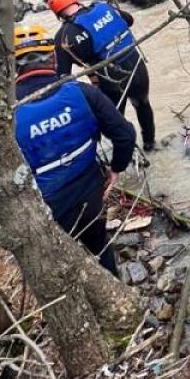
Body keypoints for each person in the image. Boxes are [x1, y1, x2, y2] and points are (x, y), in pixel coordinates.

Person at [12, 24, 136, 276]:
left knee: (60, 265)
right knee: (100, 248)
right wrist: (116, 169)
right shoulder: (82, 92)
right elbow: (125, 134)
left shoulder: (7, 112)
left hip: (43, 208)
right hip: (90, 193)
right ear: (54, 57)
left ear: (13, 65)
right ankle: (115, 291)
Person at [46, 0, 157, 152]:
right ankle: (150, 145)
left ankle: (129, 156)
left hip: (109, 79)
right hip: (136, 66)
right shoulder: (104, 7)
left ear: (57, 14)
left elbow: (63, 76)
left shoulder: (63, 37)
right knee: (142, 104)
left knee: (114, 120)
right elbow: (129, 20)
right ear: (77, 0)